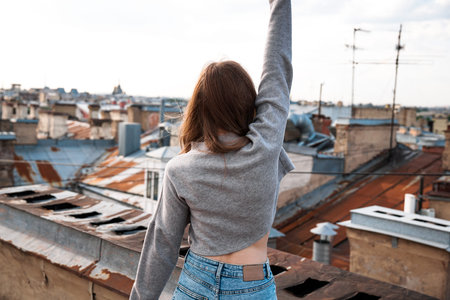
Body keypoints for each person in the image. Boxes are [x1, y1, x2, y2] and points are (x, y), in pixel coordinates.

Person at [130, 0, 293, 298]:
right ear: (249, 104)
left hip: (195, 281)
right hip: (251, 283)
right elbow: (277, 67)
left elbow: (163, 243)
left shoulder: (180, 168)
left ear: (200, 109)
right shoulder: (264, 148)